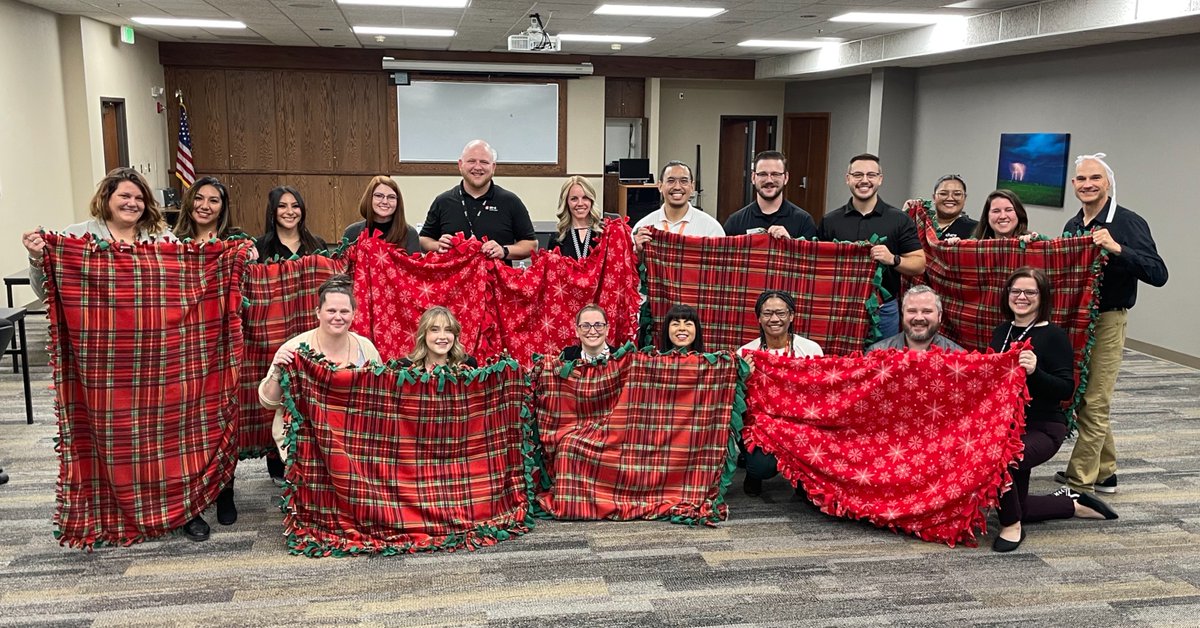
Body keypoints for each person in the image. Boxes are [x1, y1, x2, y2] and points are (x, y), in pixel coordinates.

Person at [1056, 153, 1168, 495]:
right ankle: (1105, 472)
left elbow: (1158, 273)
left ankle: (1080, 482)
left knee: (1095, 399)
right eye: (1081, 179)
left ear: (1108, 183)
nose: (1087, 184)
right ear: (1073, 184)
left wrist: (1117, 248)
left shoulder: (1127, 222)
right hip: (1077, 322)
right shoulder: (1073, 225)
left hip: (1107, 320)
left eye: (1095, 178)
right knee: (1085, 395)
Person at [989, 267, 1117, 552]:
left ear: (1042, 296)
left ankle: (1011, 526)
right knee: (1019, 503)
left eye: (1030, 292)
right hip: (1007, 427)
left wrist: (1035, 372)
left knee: (1002, 461)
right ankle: (1075, 505)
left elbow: (1065, 389)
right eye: (1015, 291)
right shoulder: (1002, 332)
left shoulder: (1054, 335)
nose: (1021, 297)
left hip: (1043, 427)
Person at [259, 274, 380, 467]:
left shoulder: (365, 348)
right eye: (331, 310)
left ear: (354, 313)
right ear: (318, 312)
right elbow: (269, 402)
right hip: (306, 442)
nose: (338, 317)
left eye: (344, 311)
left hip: (353, 441)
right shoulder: (294, 348)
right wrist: (276, 372)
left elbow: (379, 399)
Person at [23, 167, 176, 300]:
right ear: (106, 198)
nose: (132, 203)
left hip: (150, 329)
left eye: (139, 198)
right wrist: (37, 258)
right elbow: (46, 295)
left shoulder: (163, 238)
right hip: (97, 330)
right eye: (125, 196)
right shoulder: (75, 236)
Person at [817, 153, 925, 339]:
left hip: (885, 310)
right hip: (841, 308)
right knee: (843, 364)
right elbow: (818, 265)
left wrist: (893, 259)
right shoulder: (830, 221)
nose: (864, 180)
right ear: (848, 179)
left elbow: (919, 264)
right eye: (858, 175)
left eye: (871, 175)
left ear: (880, 179)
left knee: (882, 364)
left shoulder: (899, 220)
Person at [737, 290, 823, 496]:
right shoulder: (745, 353)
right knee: (761, 466)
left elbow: (820, 394)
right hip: (761, 426)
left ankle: (805, 483)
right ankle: (753, 473)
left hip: (799, 424)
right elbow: (737, 400)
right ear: (759, 318)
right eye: (767, 314)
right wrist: (742, 376)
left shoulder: (811, 349)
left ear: (791, 316)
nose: (774, 319)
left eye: (780, 313)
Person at [419, 140, 538, 262]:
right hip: (453, 279)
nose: (477, 167)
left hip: (497, 279)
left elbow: (531, 244)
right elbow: (423, 240)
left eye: (484, 162)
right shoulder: (443, 201)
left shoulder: (511, 201)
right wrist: (438, 246)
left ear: (493, 167)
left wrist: (504, 251)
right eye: (471, 161)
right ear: (460, 165)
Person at [633, 161, 725, 253]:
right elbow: (633, 265)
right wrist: (638, 252)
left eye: (684, 181)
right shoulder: (643, 228)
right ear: (660, 186)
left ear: (692, 187)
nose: (677, 187)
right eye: (671, 181)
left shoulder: (711, 229)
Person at [722, 151, 817, 239]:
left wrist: (789, 243)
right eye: (763, 174)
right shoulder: (735, 223)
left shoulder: (804, 222)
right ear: (753, 178)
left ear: (786, 178)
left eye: (775, 174)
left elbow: (810, 256)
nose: (769, 180)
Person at [866, 285, 964, 352]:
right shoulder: (877, 353)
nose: (919, 318)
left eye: (927, 311)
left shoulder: (958, 356)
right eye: (912, 311)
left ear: (940, 316)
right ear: (903, 313)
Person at [342, 175, 420, 253]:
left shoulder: (410, 234)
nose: (385, 201)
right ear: (369, 198)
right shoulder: (352, 232)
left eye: (391, 197)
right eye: (379, 196)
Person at [254, 185, 328, 260]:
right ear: (272, 211)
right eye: (282, 206)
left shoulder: (318, 244)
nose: (290, 212)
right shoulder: (258, 247)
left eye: (295, 206)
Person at [397, 306, 479, 370]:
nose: (442, 336)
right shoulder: (403, 366)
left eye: (448, 330)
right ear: (424, 334)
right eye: (435, 330)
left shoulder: (468, 364)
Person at [546, 176, 605, 259]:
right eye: (574, 199)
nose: (580, 203)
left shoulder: (604, 234)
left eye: (585, 198)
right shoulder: (557, 238)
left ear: (591, 200)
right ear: (566, 202)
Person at [173, 176, 246, 241]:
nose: (205, 206)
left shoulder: (238, 239)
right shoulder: (174, 240)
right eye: (198, 198)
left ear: (222, 208)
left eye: (213, 201)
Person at [970, 189, 1036, 240]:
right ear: (987, 216)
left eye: (1009, 210)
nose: (1003, 216)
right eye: (996, 211)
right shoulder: (973, 244)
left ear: (1019, 213)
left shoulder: (1034, 241)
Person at [930, 174, 977, 239]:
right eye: (943, 194)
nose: (950, 198)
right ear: (934, 197)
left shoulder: (976, 228)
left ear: (964, 198)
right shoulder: (921, 224)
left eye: (957, 194)